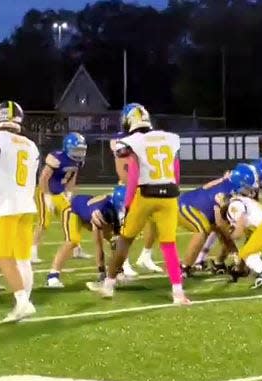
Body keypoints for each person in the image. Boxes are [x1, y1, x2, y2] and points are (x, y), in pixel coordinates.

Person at [88, 103, 189, 304]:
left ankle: (108, 285)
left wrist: (127, 203)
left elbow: (133, 175)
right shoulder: (170, 138)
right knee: (169, 245)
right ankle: (178, 293)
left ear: (128, 121)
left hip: (146, 194)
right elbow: (176, 170)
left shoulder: (132, 141)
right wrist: (174, 192)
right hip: (169, 195)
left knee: (125, 239)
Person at [0, 101, 40, 322]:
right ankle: (24, 303)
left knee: (3, 256)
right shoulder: (31, 145)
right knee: (22, 259)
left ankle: (23, 302)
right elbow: (32, 178)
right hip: (26, 205)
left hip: (7, 207)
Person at [178, 163, 255, 276]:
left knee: (225, 232)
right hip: (186, 206)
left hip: (199, 210)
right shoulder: (227, 194)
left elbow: (221, 227)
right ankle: (183, 268)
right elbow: (220, 223)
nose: (249, 191)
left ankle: (218, 262)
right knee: (203, 230)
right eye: (247, 187)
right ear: (240, 183)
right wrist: (234, 249)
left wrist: (232, 247)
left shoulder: (228, 186)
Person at [46, 186, 125, 287]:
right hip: (73, 210)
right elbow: (98, 243)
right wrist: (101, 271)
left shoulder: (114, 208)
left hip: (89, 210)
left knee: (115, 241)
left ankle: (118, 271)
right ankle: (52, 276)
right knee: (72, 241)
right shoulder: (100, 212)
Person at [32, 132, 88, 263]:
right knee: (44, 221)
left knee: (72, 217)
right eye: (77, 150)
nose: (79, 153)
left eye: (81, 150)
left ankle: (76, 248)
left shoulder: (78, 161)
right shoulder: (57, 158)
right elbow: (43, 178)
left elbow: (72, 177)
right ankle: (32, 252)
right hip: (45, 191)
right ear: (67, 147)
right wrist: (46, 196)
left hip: (60, 193)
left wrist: (69, 193)